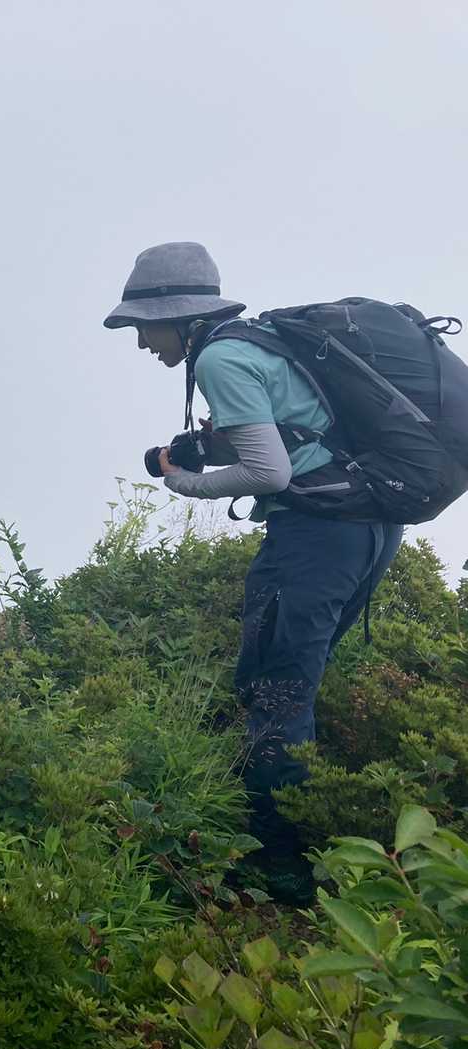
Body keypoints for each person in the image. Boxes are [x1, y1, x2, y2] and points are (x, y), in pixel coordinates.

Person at [103, 241, 403, 895]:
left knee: (275, 694)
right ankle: (317, 839)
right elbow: (299, 436)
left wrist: (184, 483)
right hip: (371, 529)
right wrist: (207, 449)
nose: (141, 342)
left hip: (316, 538)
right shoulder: (262, 344)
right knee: (294, 684)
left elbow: (271, 473)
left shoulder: (220, 358)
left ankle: (285, 872)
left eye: (143, 327)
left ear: (177, 315)